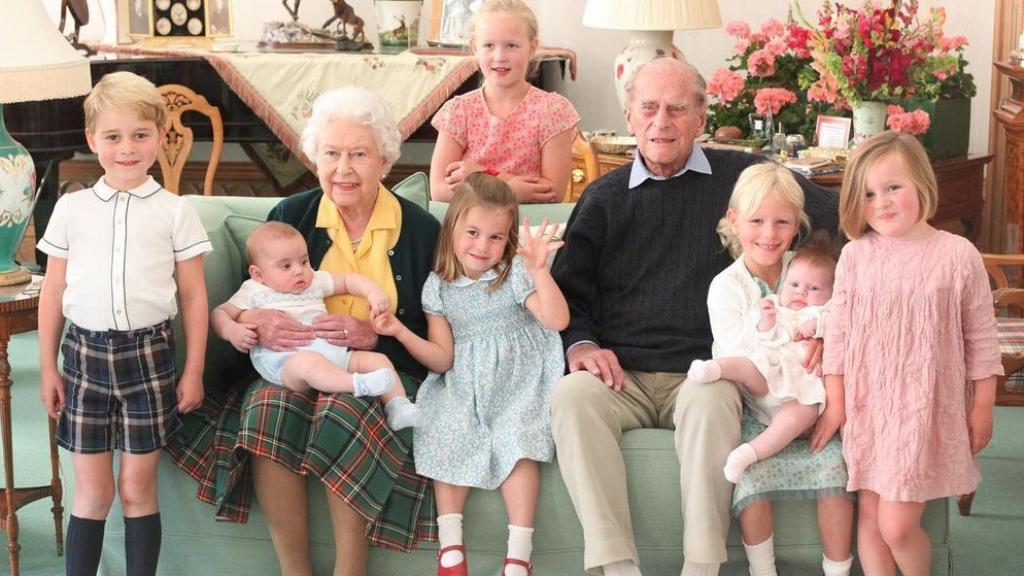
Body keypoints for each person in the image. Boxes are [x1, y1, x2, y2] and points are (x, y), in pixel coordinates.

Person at [549, 58, 840, 576]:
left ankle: (702, 565)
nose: (662, 122)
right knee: (570, 397)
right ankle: (615, 566)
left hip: (703, 371)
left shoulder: (739, 176)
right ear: (630, 116)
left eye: (677, 109)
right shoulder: (604, 198)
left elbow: (842, 219)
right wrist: (583, 346)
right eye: (649, 108)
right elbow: (570, 292)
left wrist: (835, 322)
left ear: (701, 116)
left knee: (711, 401)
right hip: (622, 377)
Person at [164, 86, 440, 575]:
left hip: (379, 369)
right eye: (331, 154)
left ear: (384, 160)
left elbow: (433, 327)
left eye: (358, 154)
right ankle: (296, 570)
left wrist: (376, 337)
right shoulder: (292, 217)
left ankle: (349, 570)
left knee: (344, 406)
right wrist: (255, 322)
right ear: (316, 157)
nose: (343, 168)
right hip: (288, 366)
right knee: (268, 408)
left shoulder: (419, 230)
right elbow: (247, 298)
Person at [37, 71, 212, 576]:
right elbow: (53, 291)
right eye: (113, 137)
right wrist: (48, 368)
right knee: (92, 491)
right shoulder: (71, 209)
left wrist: (194, 369)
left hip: (149, 359)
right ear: (93, 140)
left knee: (137, 489)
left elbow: (194, 297)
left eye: (140, 135)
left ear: (161, 136)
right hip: (82, 360)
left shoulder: (177, 212)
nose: (127, 148)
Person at [819, 131, 1002, 576]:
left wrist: (983, 403)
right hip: (870, 407)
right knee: (872, 519)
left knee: (897, 525)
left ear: (921, 182)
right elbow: (838, 336)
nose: (881, 202)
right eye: (868, 193)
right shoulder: (856, 257)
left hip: (923, 411)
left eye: (893, 187)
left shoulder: (957, 255)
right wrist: (837, 403)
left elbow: (981, 335)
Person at [373, 173, 568, 576]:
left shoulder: (513, 271)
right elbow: (442, 359)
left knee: (518, 442)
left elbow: (556, 320)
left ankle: (518, 556)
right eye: (473, 232)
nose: (482, 246)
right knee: (446, 429)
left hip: (520, 380)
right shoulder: (438, 287)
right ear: (453, 229)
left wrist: (539, 270)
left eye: (496, 237)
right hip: (465, 380)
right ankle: (451, 552)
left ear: (509, 239)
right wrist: (399, 331)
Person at [697, 164, 853, 576]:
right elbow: (743, 358)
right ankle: (762, 570)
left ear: (797, 225)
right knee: (750, 478)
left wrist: (823, 337)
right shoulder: (727, 287)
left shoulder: (807, 269)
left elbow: (840, 313)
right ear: (734, 222)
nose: (769, 234)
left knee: (834, 470)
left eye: (782, 222)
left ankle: (837, 570)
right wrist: (769, 326)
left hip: (812, 400)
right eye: (757, 221)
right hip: (760, 403)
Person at [210, 221, 416, 429]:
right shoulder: (253, 289)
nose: (299, 271)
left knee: (377, 360)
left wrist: (373, 292)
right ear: (258, 274)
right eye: (286, 266)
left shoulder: (314, 281)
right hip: (287, 363)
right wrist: (231, 330)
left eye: (304, 261)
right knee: (309, 363)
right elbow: (220, 313)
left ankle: (398, 405)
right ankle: (356, 384)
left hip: (334, 353)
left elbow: (347, 280)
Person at [689, 234, 837, 483]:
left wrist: (820, 330)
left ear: (830, 294)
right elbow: (751, 339)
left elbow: (842, 330)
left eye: (813, 289)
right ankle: (711, 369)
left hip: (801, 392)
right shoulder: (773, 306)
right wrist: (764, 323)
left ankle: (748, 454)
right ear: (784, 284)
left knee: (802, 415)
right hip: (767, 377)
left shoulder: (824, 312)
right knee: (748, 366)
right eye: (795, 285)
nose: (801, 292)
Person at [429, 0, 580, 204]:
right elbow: (438, 190)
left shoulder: (552, 110)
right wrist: (510, 190)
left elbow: (552, 192)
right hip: (473, 231)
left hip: (530, 230)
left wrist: (483, 175)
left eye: (511, 45)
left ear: (532, 48)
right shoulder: (458, 110)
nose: (500, 56)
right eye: (489, 45)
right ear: (475, 48)